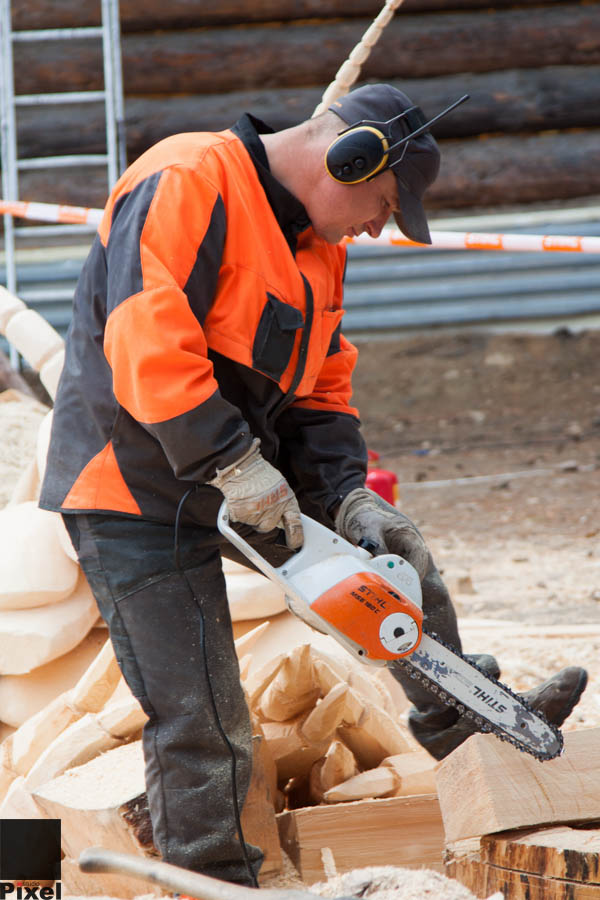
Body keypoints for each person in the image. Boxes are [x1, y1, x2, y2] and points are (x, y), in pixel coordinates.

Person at [39, 83, 587, 885]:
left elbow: (324, 387)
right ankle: (217, 876)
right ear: (350, 157)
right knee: (201, 713)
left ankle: (469, 728)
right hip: (136, 491)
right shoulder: (188, 180)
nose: (375, 226)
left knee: (396, 556)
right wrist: (232, 465)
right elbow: (146, 342)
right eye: (382, 203)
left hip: (251, 481)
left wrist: (346, 495)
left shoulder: (317, 248)